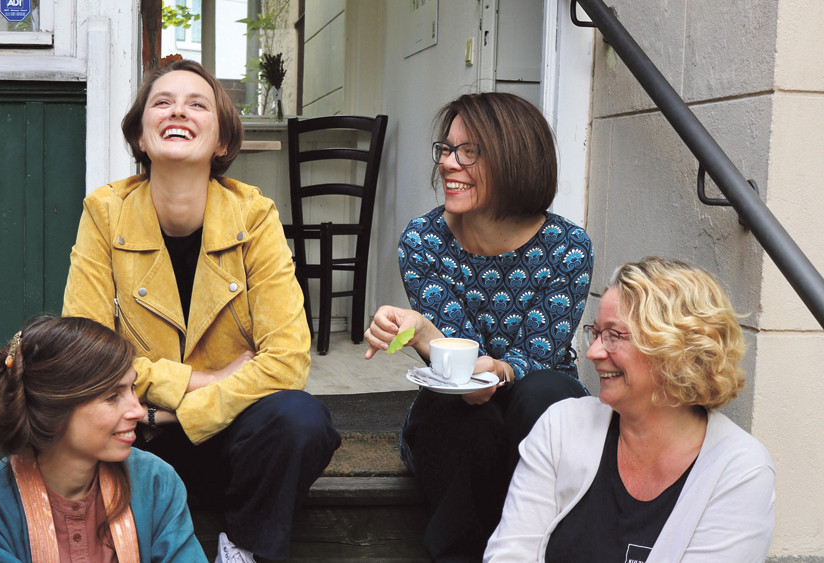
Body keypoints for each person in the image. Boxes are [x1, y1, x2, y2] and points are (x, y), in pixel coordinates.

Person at [62, 58, 340, 563]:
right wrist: (200, 382)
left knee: (302, 419)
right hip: (137, 434)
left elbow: (288, 359)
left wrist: (172, 412)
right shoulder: (104, 213)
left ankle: (243, 548)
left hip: (228, 439)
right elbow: (86, 353)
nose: (178, 112)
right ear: (141, 139)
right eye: (162, 102)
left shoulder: (254, 215)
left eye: (197, 104)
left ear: (222, 143)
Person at [363, 92, 594, 562]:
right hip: (459, 420)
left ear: (515, 158)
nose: (449, 163)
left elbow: (540, 355)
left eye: (470, 152)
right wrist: (425, 335)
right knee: (460, 413)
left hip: (533, 407)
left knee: (547, 392)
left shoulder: (568, 246)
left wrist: (492, 370)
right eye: (447, 150)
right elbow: (457, 366)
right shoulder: (425, 240)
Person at [485, 257, 775, 562]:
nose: (593, 352)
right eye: (595, 333)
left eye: (613, 335)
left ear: (673, 351)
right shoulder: (562, 426)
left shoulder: (740, 471)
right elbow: (509, 554)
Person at [0, 315, 205, 563]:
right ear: (54, 410)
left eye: (132, 388)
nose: (138, 411)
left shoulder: (155, 482)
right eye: (112, 396)